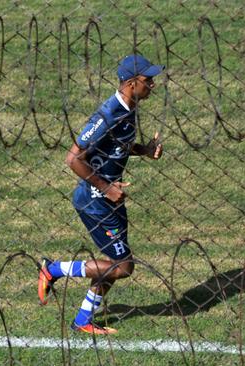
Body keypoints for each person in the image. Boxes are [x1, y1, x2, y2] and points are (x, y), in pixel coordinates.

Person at [37, 54, 164, 335]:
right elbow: (73, 158)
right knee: (123, 266)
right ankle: (53, 270)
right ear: (131, 83)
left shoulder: (129, 109)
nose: (153, 85)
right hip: (96, 200)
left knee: (112, 263)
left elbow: (117, 144)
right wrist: (106, 187)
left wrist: (144, 150)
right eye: (148, 80)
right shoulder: (108, 114)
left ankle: (83, 320)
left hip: (111, 198)